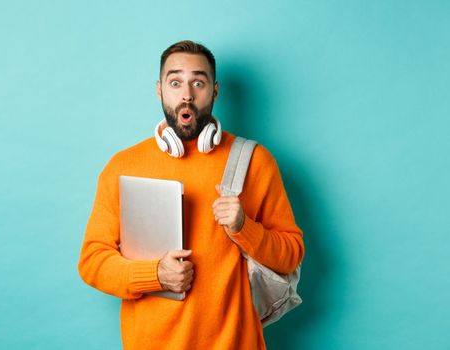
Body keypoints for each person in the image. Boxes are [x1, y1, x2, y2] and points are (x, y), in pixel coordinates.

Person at [78, 40, 304, 350]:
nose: (187, 94)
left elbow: (291, 253)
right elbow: (92, 262)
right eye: (175, 82)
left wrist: (244, 228)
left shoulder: (254, 161)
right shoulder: (122, 166)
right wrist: (155, 274)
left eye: (198, 82)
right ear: (160, 90)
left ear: (215, 91)